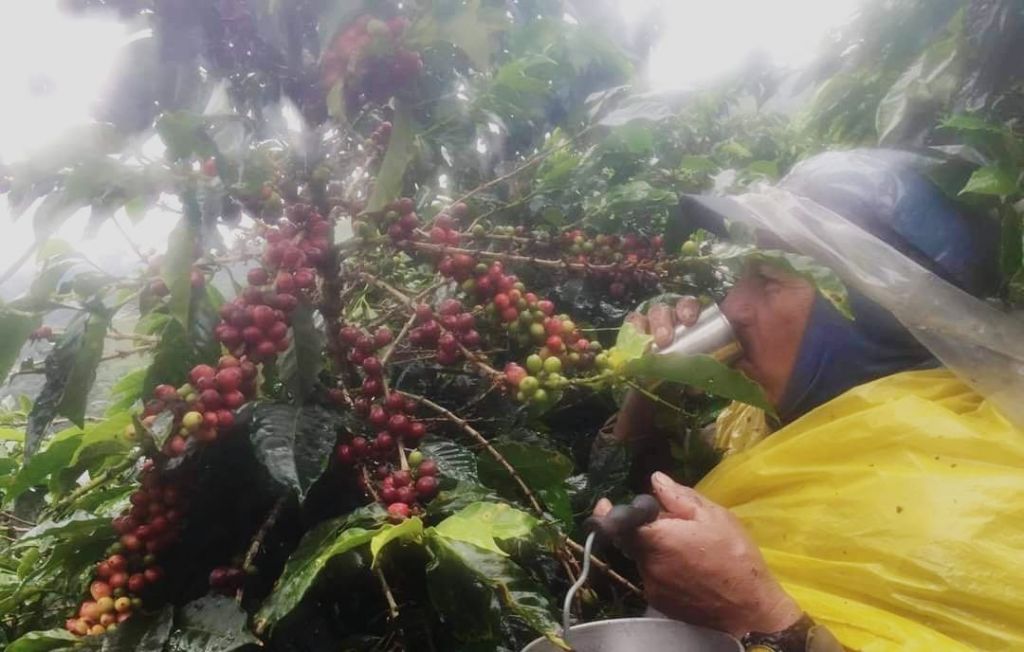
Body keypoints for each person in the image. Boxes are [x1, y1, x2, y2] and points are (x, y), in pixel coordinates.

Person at [593, 149, 1024, 651]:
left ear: (867, 313)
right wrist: (647, 403)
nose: (733, 306)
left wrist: (765, 620)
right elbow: (636, 534)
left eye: (770, 281)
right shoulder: (761, 422)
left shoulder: (988, 500)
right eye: (744, 275)